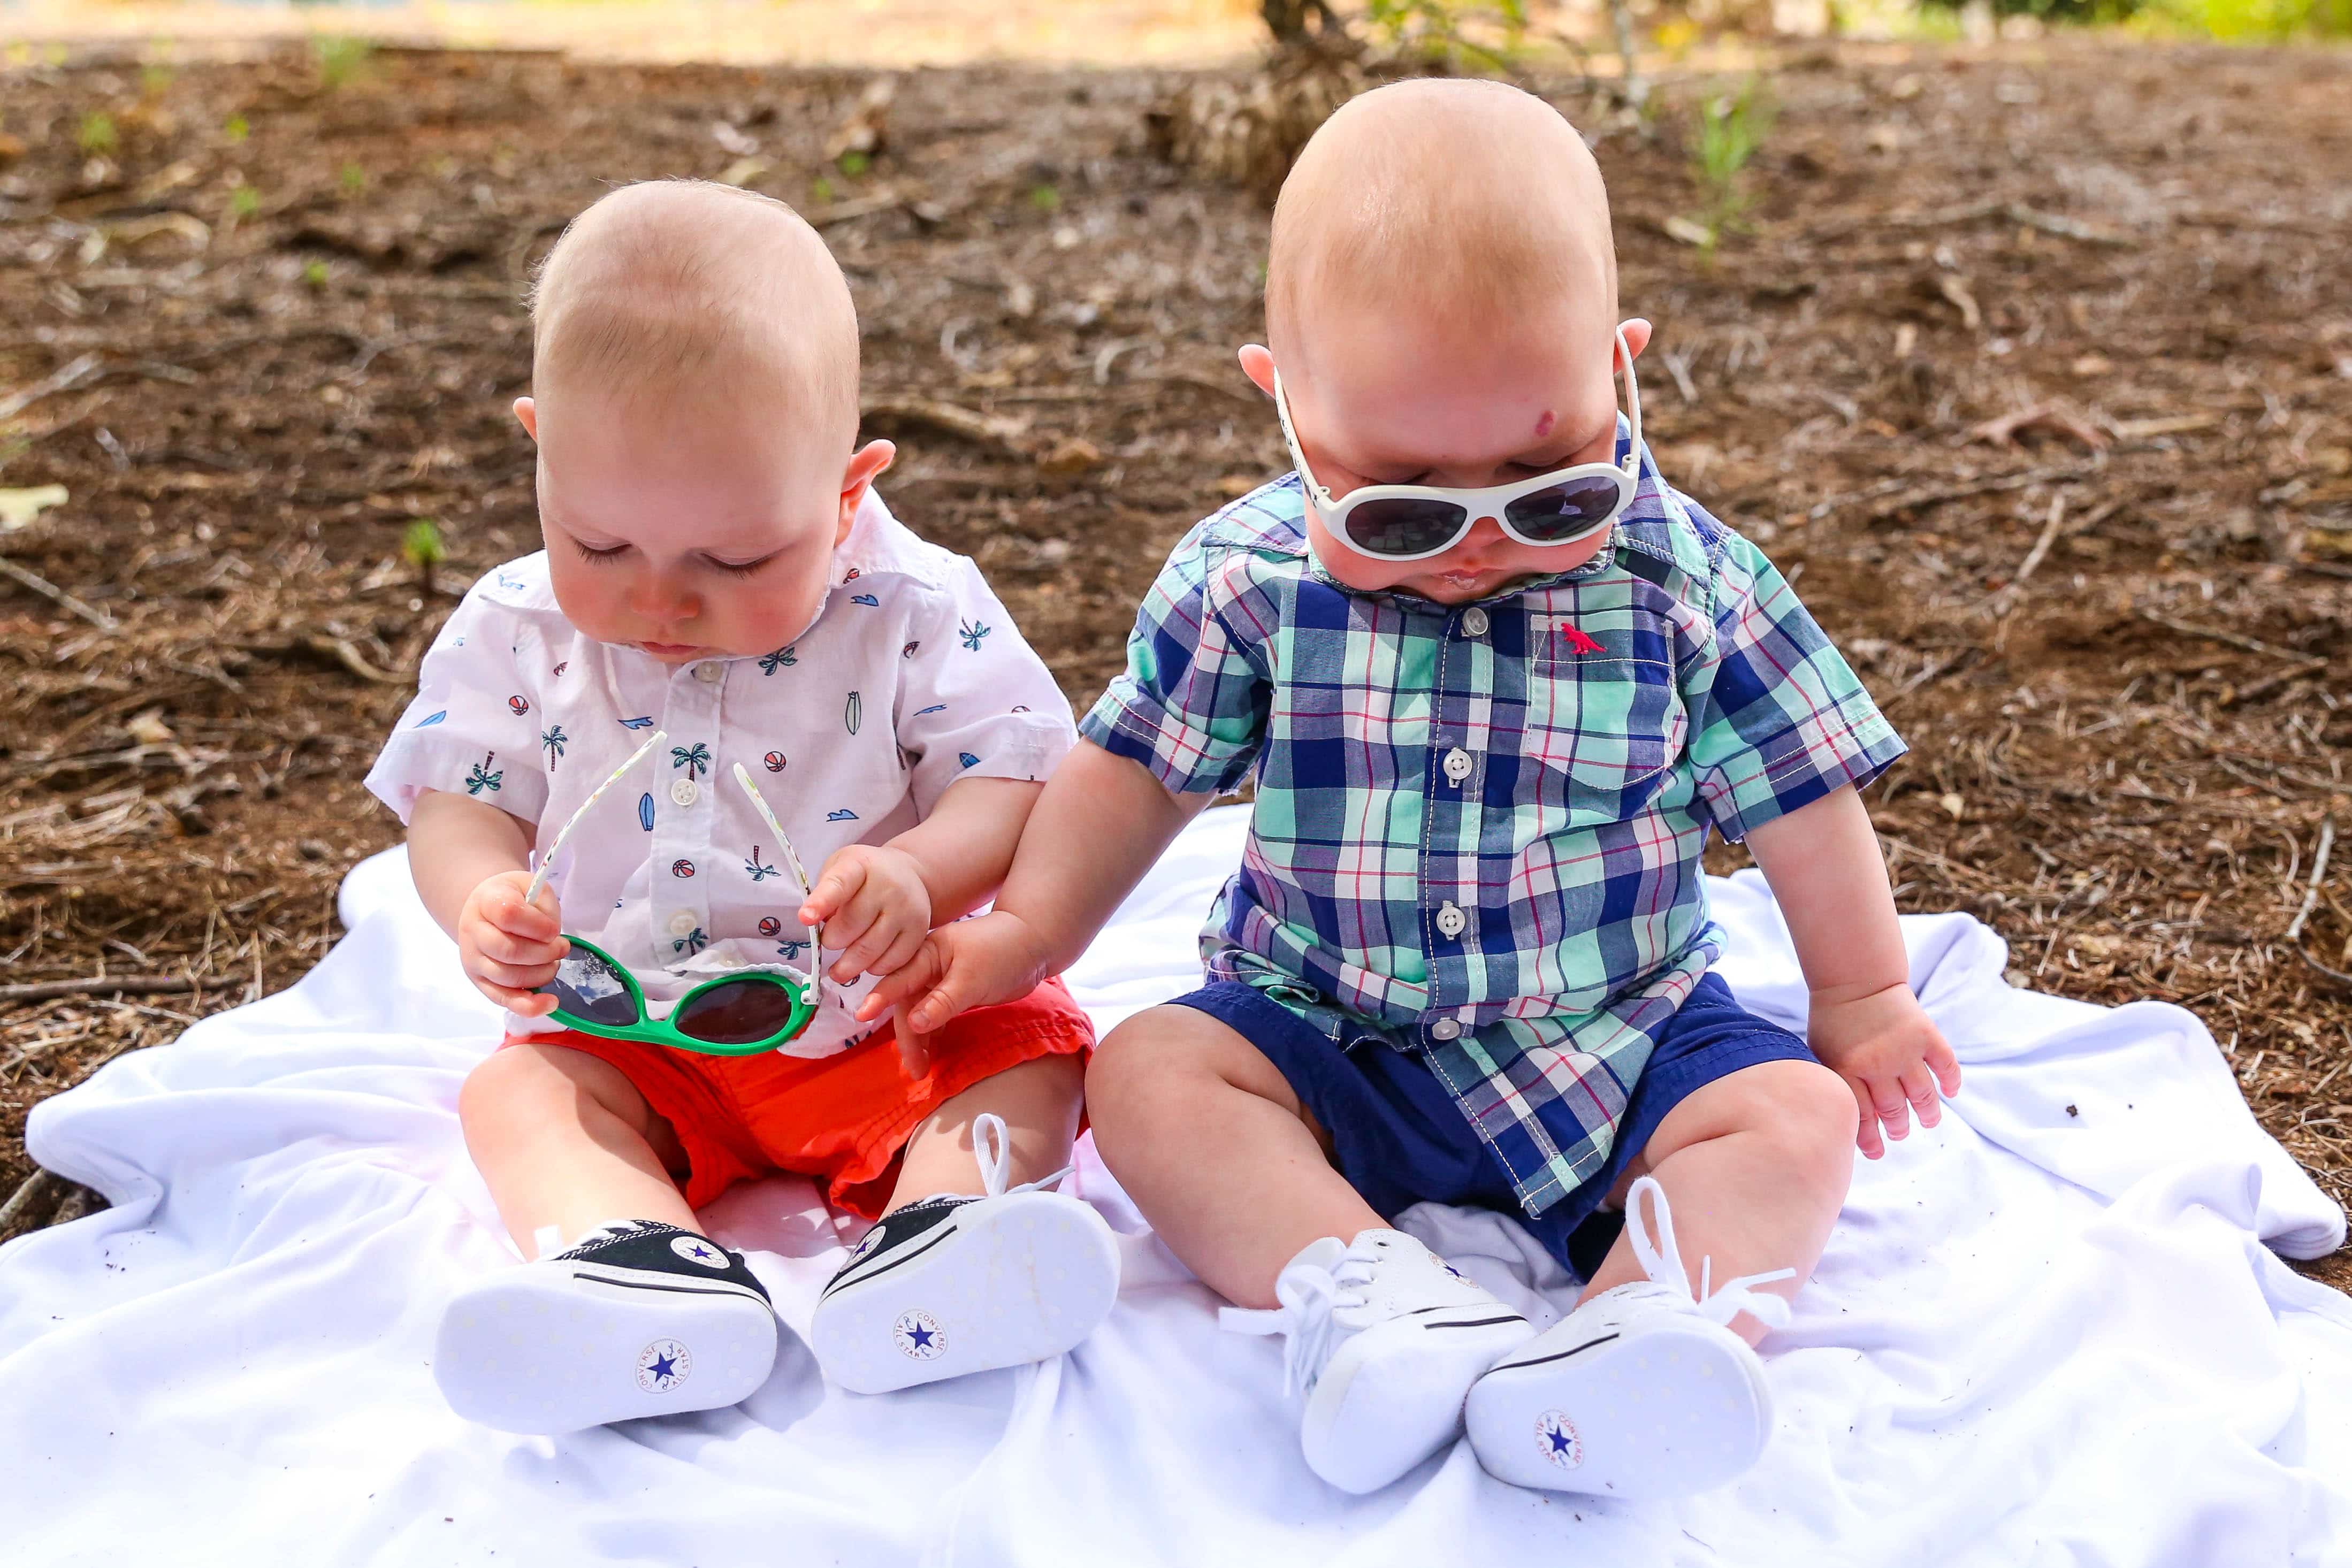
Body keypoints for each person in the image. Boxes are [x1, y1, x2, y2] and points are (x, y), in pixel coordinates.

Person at [866, 81, 1960, 1498]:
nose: (1477, 542)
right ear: (1286, 406)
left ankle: (1639, 1328)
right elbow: (1133, 772)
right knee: (1149, 1073)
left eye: (1546, 482)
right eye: (1397, 505)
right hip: (1329, 1036)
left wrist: (1862, 997)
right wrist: (1022, 937)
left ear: (1618, 372)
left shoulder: (1686, 577)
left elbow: (1803, 794)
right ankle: (1362, 1292)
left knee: (1792, 1117)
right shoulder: (1246, 579)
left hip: (1620, 1037)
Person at [364, 180, 1116, 1435]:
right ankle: (641, 1263)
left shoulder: (920, 609)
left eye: (735, 561)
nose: (660, 599)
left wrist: (924, 874)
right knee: (520, 1095)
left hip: (882, 1023)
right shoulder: (512, 626)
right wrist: (479, 897)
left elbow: (1015, 773)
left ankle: (946, 1235)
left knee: (1030, 1050)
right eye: (598, 545)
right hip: (638, 1031)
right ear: (539, 444)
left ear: (842, 488)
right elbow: (458, 800)